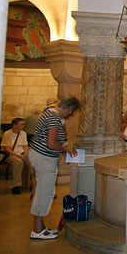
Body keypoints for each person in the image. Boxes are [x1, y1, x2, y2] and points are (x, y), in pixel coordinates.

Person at [29, 96, 81, 239]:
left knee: (43, 190)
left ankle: (41, 227)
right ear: (69, 108)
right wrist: (65, 149)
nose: (70, 115)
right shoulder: (53, 118)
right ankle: (37, 230)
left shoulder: (49, 112)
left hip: (41, 155)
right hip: (44, 157)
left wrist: (63, 146)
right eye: (71, 112)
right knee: (44, 192)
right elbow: (51, 144)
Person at [0, 117, 29, 194]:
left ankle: (29, 184)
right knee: (18, 162)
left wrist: (25, 154)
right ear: (14, 125)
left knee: (33, 161)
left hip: (21, 154)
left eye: (23, 124)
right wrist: (18, 155)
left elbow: (25, 146)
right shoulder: (7, 134)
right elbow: (6, 148)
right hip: (11, 155)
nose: (23, 126)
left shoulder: (23, 133)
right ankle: (16, 185)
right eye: (21, 124)